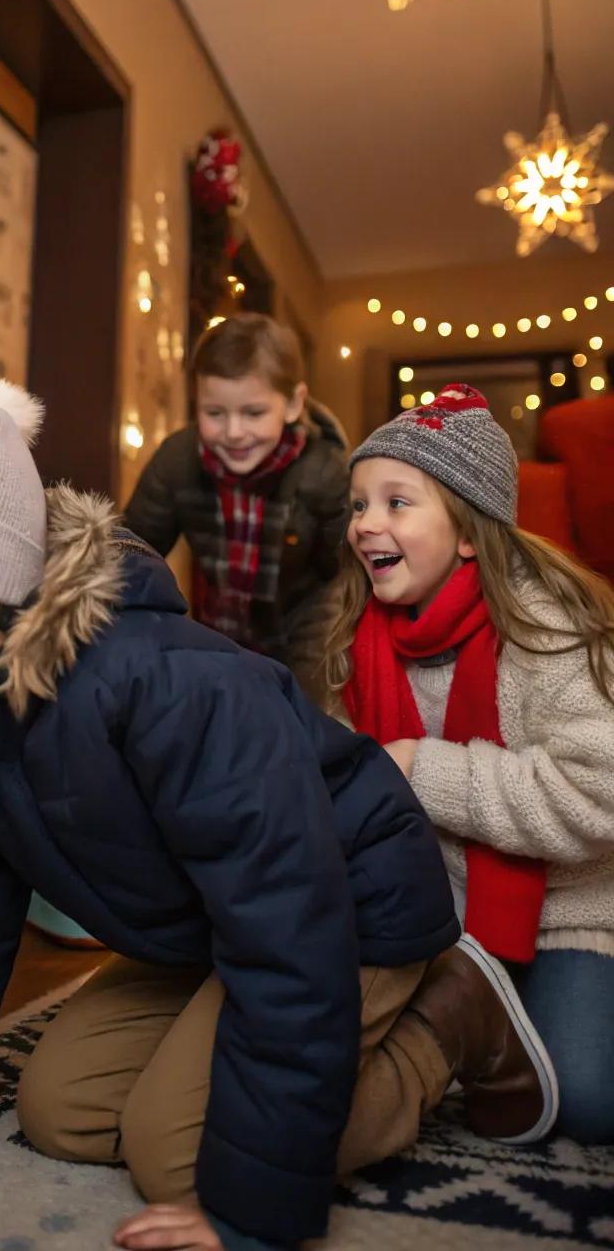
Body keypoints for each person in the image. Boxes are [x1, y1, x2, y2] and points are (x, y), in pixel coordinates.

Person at [0, 376, 556, 1251]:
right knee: (60, 1112)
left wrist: (253, 1210)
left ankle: (451, 1023)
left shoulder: (170, 686)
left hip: (350, 912)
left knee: (184, 1158)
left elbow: (285, 926)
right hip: (210, 931)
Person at [329, 382, 614, 1147]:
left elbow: (601, 792)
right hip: (432, 913)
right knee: (318, 1054)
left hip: (565, 912)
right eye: (358, 505)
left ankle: (482, 1012)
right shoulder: (358, 636)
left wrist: (424, 769)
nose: (366, 525)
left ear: (465, 530)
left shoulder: (545, 628)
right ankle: (467, 1007)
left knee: (587, 1100)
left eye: (396, 503)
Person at [124, 313, 348, 705]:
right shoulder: (177, 461)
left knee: (297, 734)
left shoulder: (326, 472)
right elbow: (133, 548)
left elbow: (345, 575)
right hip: (217, 633)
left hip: (303, 640)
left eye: (253, 413)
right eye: (215, 414)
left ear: (293, 404)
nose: (233, 432)